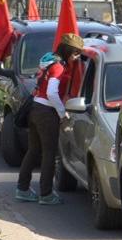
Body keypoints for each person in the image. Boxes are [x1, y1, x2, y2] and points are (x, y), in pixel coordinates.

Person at [15, 32, 84, 204]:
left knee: (33, 151)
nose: (76, 58)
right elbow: (52, 93)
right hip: (46, 113)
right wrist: (62, 113)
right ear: (68, 51)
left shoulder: (48, 61)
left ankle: (22, 189)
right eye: (75, 53)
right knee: (49, 153)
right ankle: (46, 194)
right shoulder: (59, 67)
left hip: (35, 109)